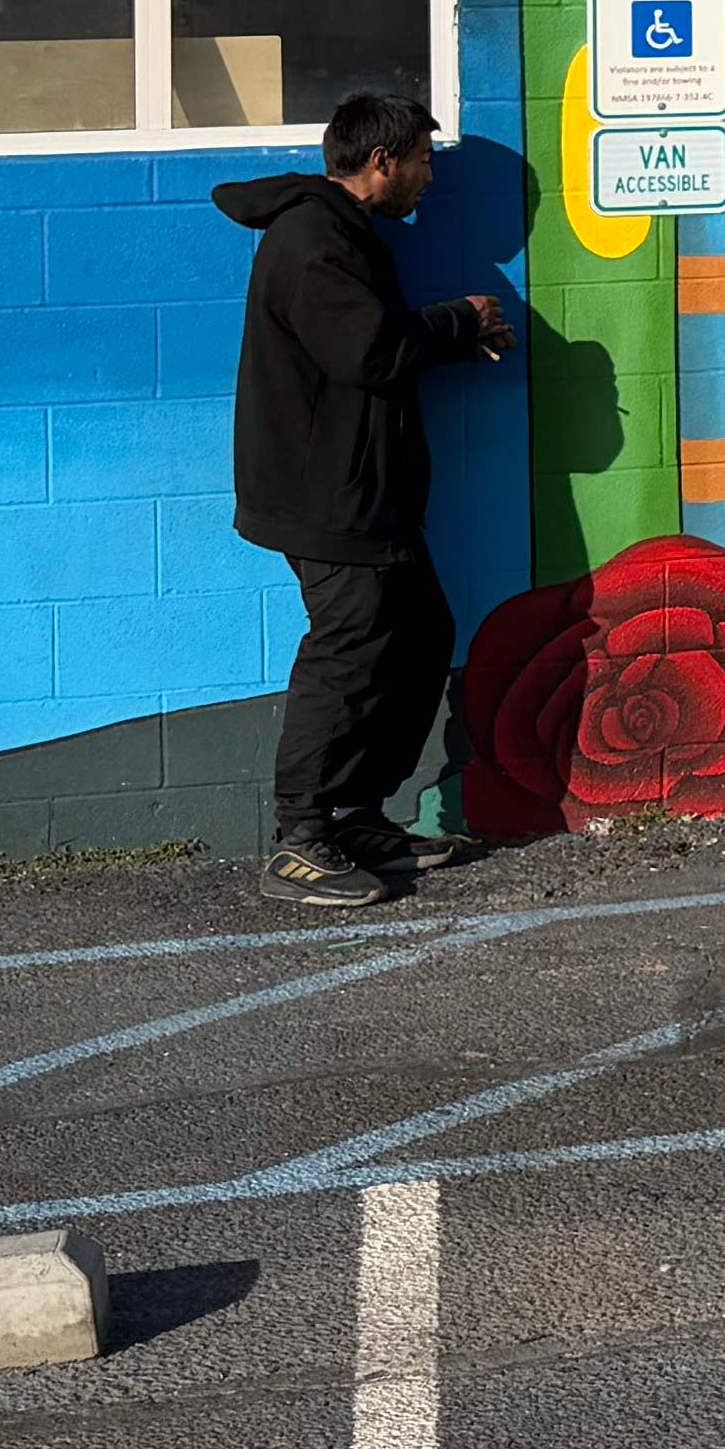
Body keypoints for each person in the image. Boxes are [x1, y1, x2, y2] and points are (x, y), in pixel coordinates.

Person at [225, 91, 522, 907]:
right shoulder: (313, 238)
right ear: (383, 161)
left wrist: (455, 335)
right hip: (327, 497)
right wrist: (456, 322)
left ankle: (356, 814)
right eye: (423, 161)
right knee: (349, 653)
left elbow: (366, 348)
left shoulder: (345, 234)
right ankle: (301, 837)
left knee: (420, 635)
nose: (429, 178)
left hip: (366, 493)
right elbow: (369, 350)